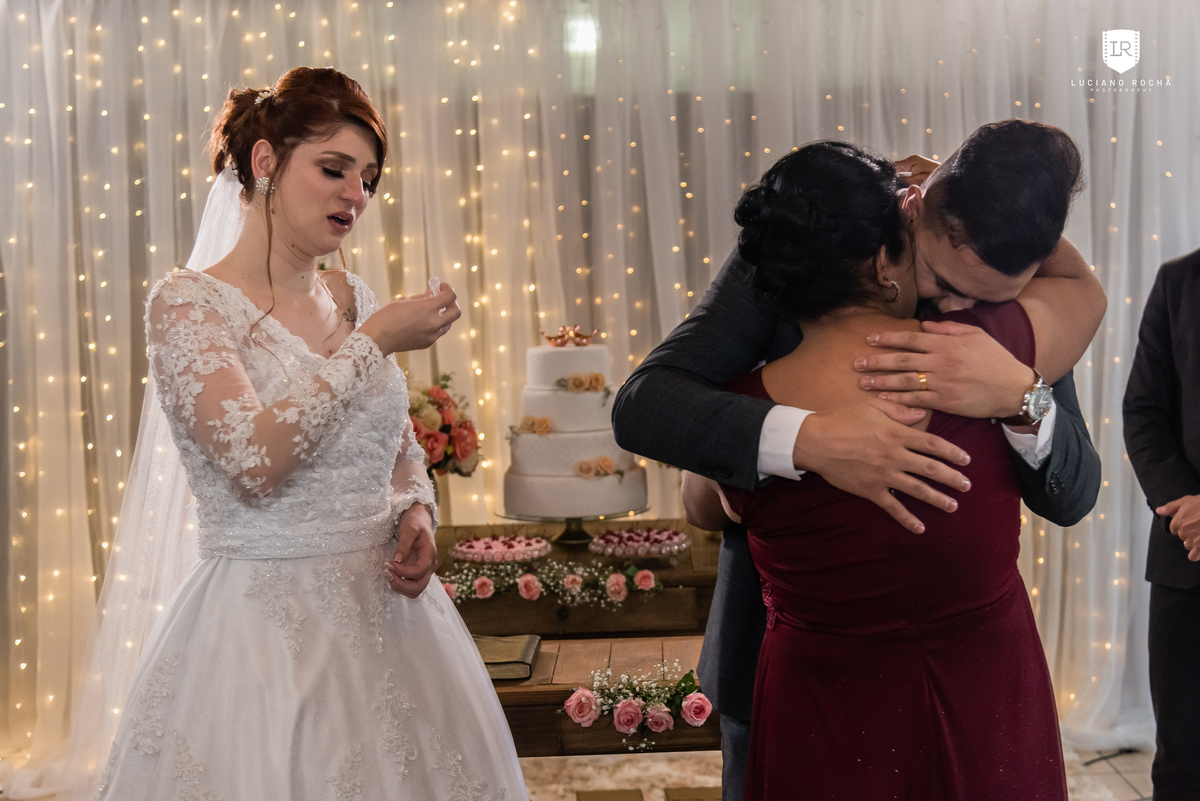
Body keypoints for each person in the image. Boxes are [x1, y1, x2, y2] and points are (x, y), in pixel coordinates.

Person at [60, 67, 526, 800]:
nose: (355, 195)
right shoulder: (188, 305)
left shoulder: (352, 296)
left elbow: (395, 441)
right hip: (263, 636)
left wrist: (416, 508)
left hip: (395, 624)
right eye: (334, 169)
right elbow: (252, 461)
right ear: (266, 161)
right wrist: (373, 341)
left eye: (368, 179)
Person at [612, 119, 1102, 801]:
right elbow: (645, 407)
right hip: (790, 661)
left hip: (978, 670)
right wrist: (808, 441)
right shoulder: (804, 236)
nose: (955, 307)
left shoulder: (1012, 323)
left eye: (986, 297)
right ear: (911, 212)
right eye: (939, 277)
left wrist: (1022, 395)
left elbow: (1073, 492)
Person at [1123, 247, 1200, 799]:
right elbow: (1144, 411)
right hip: (1186, 556)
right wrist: (1186, 506)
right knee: (1181, 758)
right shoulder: (1179, 280)